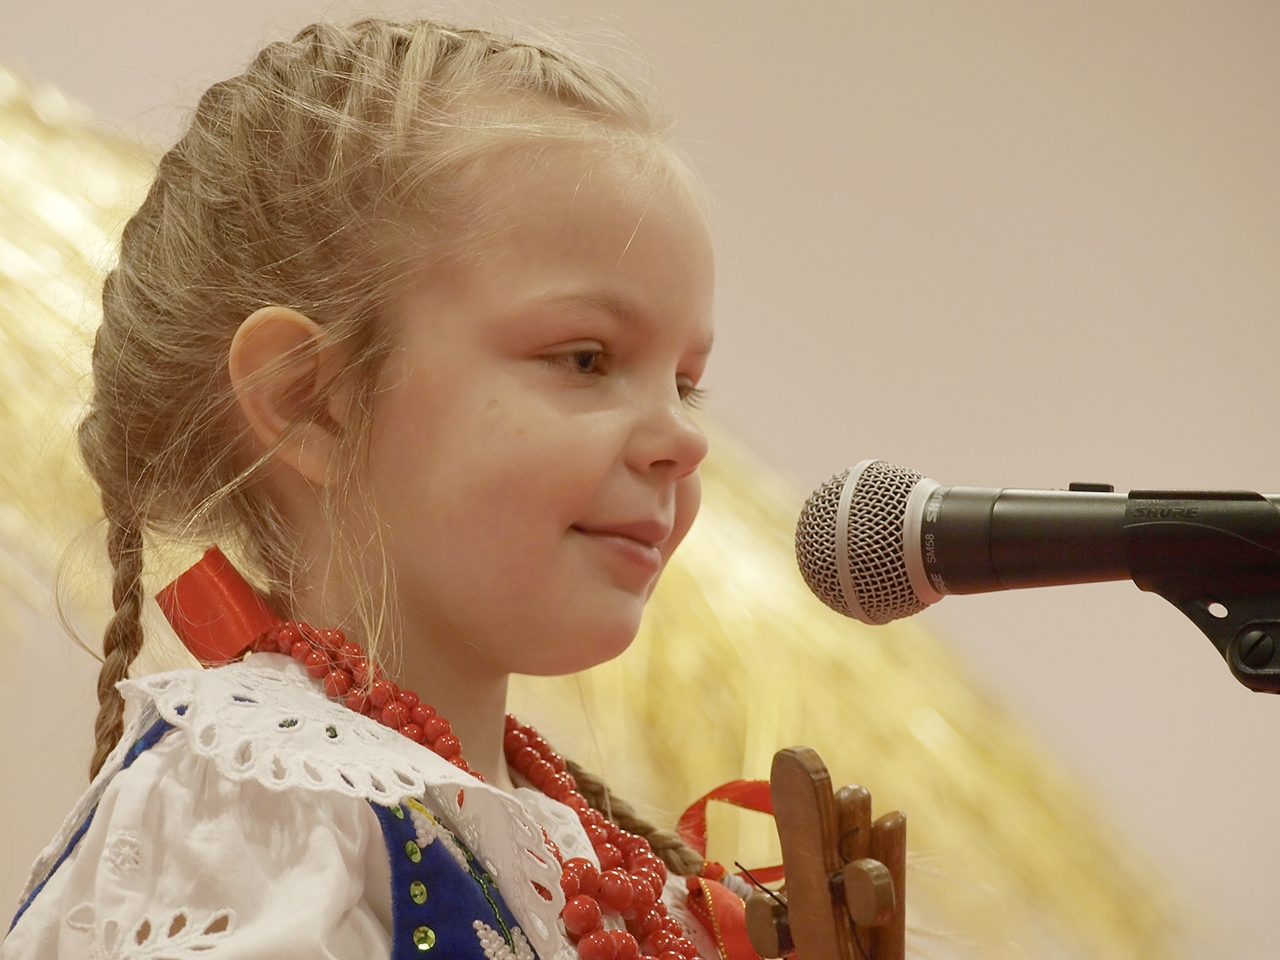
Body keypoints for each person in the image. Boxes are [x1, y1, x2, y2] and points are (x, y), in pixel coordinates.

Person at [1, 18, 732, 960]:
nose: (682, 438)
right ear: (311, 403)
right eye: (586, 358)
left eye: (686, 384)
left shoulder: (588, 858)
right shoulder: (264, 815)